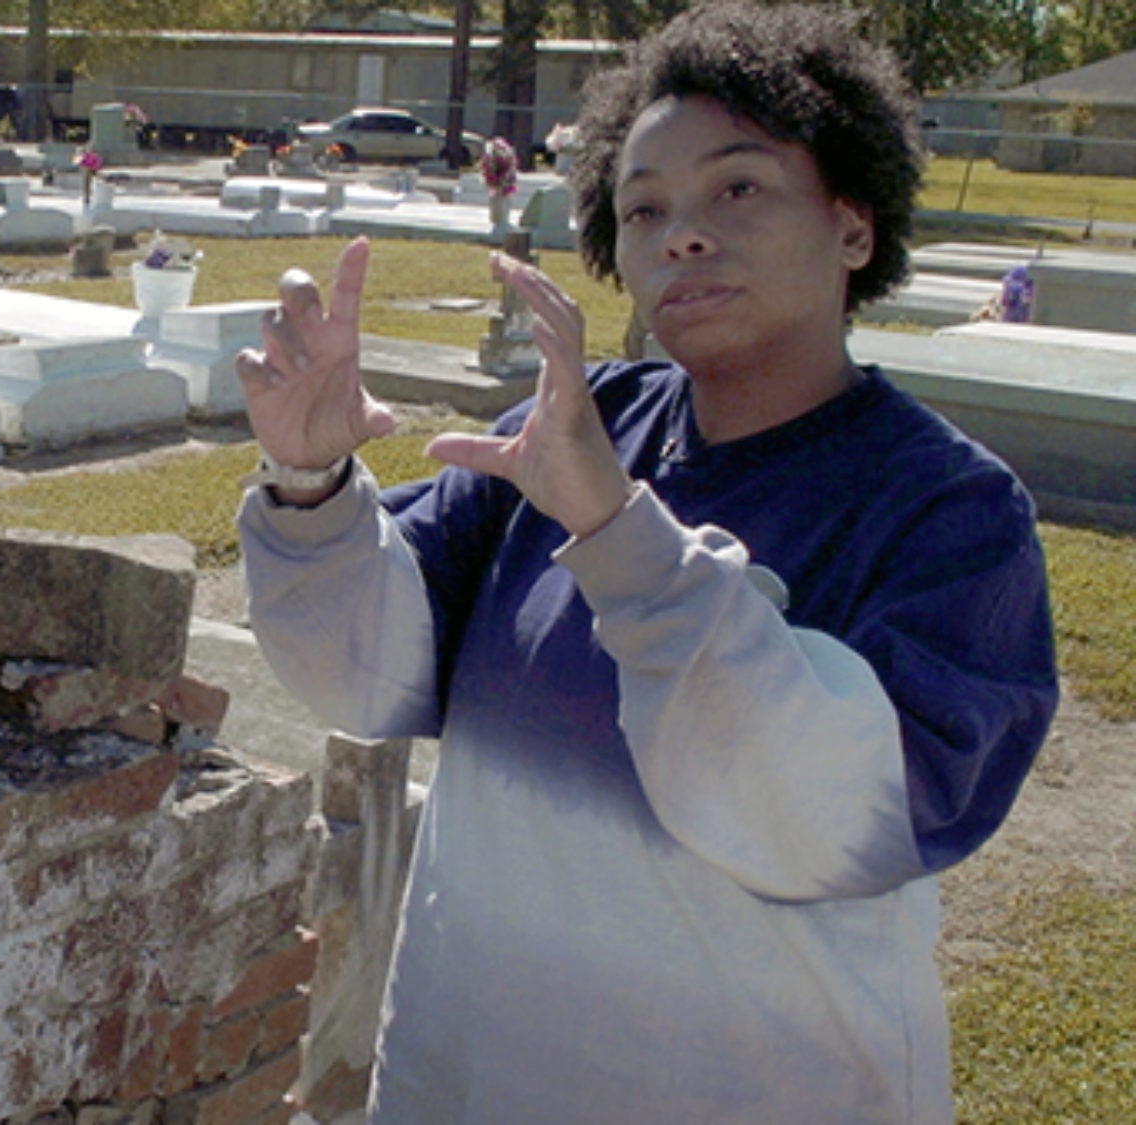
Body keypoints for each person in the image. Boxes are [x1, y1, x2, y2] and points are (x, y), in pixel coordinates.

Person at [233, 3, 1058, 1121]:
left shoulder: (946, 511)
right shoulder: (579, 427)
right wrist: (312, 488)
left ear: (853, 227)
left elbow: (826, 819)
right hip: (470, 1068)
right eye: (641, 207)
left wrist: (621, 537)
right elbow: (362, 672)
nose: (681, 234)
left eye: (737, 188)